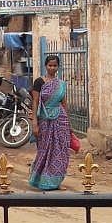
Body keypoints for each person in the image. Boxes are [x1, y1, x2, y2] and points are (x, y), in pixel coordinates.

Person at [29, 55, 70, 191]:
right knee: (44, 150)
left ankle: (56, 181)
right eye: (50, 65)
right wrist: (34, 122)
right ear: (45, 66)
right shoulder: (39, 82)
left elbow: (63, 103)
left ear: (58, 67)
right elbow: (35, 102)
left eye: (55, 65)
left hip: (60, 119)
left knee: (60, 151)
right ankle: (42, 180)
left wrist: (69, 124)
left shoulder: (60, 84)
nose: (52, 68)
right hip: (44, 120)